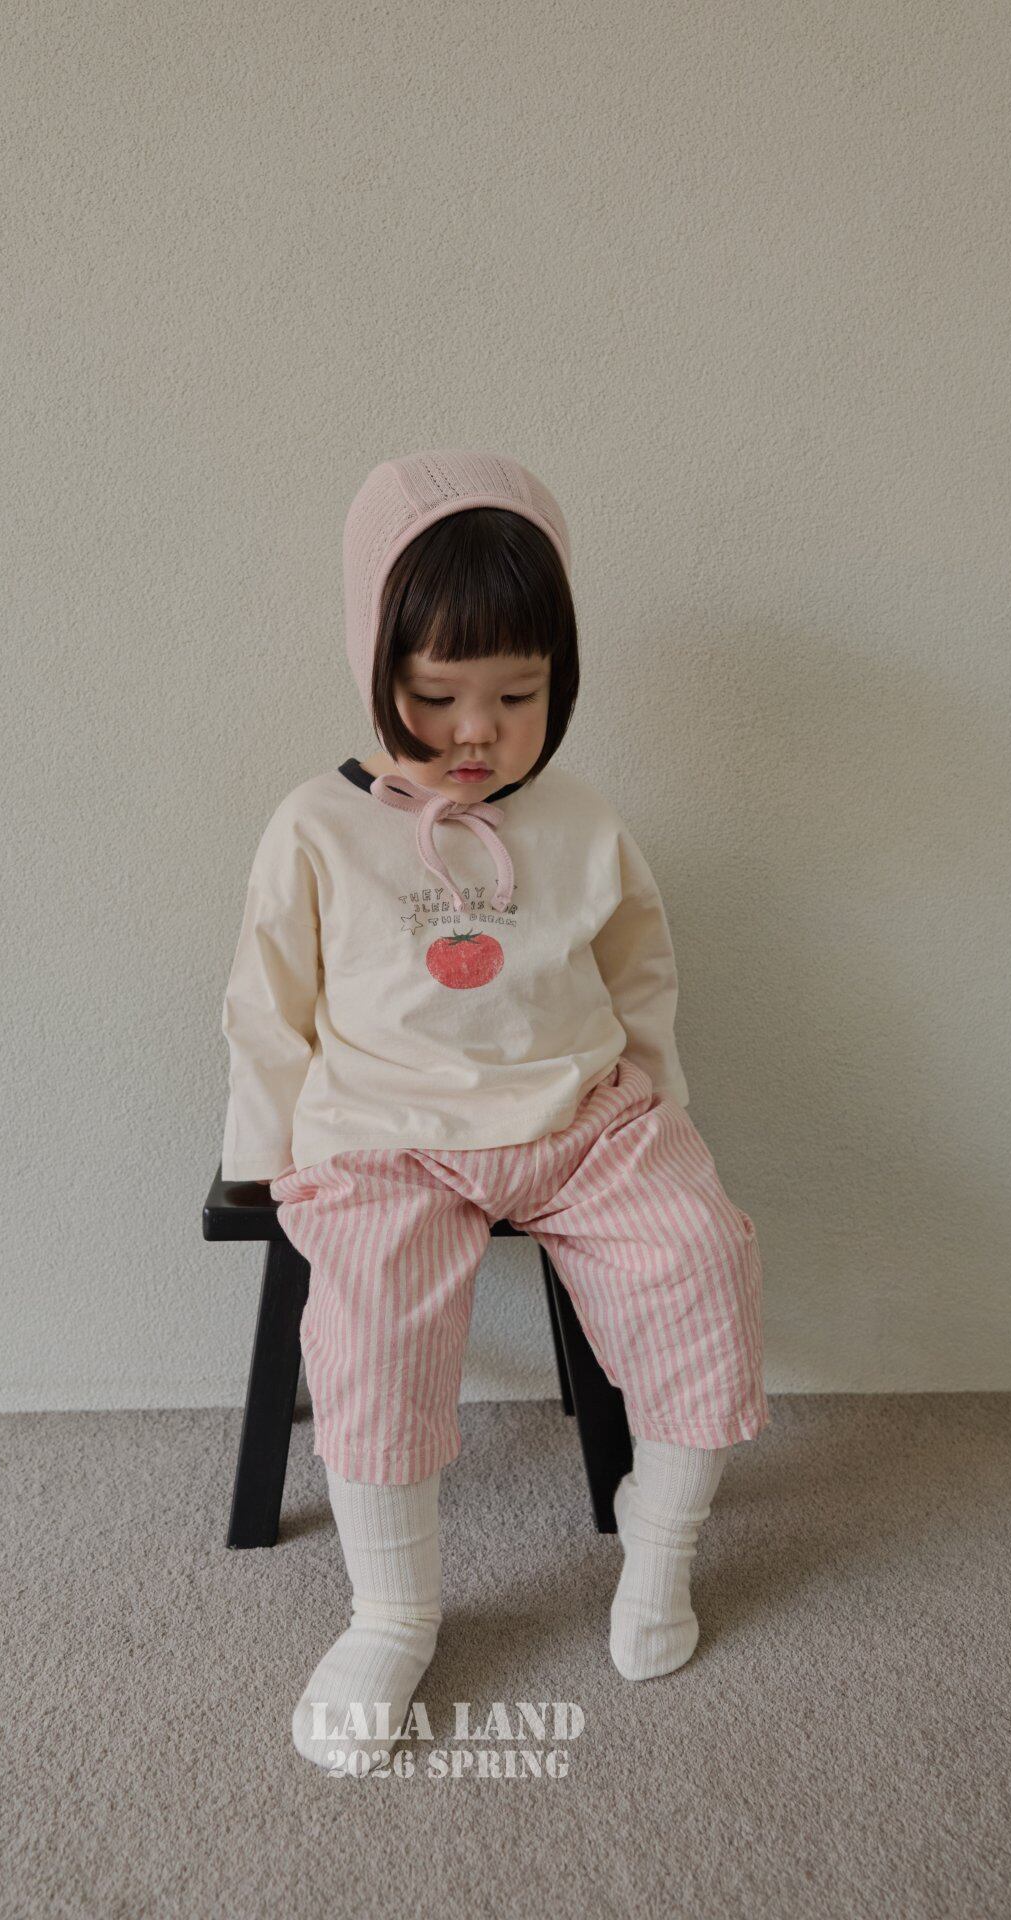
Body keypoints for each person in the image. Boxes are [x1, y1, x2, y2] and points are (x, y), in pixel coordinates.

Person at [220, 447, 769, 1775]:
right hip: (386, 1138)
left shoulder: (579, 818)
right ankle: (393, 1611)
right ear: (376, 667)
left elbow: (640, 969)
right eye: (437, 696)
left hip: (581, 1121)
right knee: (373, 1321)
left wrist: (662, 1110)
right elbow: (267, 1000)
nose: (477, 731)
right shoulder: (317, 826)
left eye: (518, 696)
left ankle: (663, 1543)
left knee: (703, 1260)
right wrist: (263, 1157)